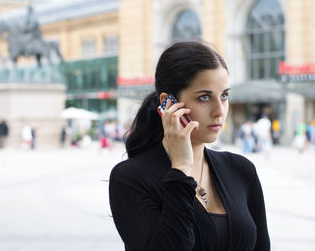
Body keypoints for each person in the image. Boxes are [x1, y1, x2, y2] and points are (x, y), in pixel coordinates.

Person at [109, 42, 270, 251]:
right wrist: (181, 168)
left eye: (224, 96)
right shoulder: (131, 178)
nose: (219, 111)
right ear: (168, 103)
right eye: (204, 97)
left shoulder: (241, 169)